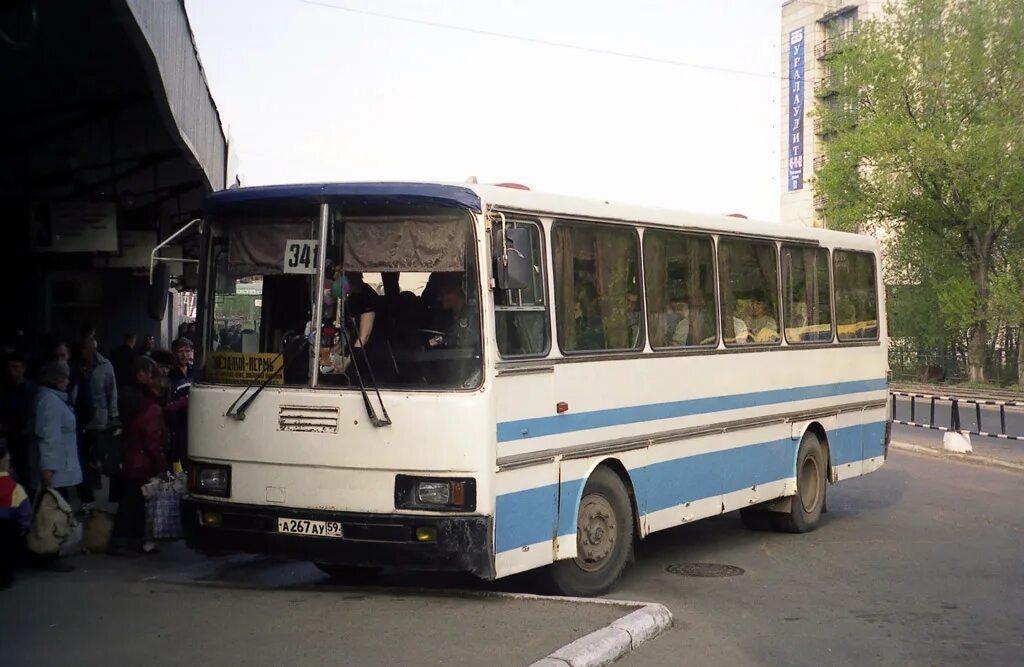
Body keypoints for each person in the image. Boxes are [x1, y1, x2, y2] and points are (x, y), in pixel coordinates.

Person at [110, 356, 168, 556]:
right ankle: (123, 540)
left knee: (132, 502)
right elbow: (151, 439)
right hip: (139, 461)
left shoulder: (137, 399)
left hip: (132, 457)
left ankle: (127, 540)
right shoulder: (149, 407)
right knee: (132, 502)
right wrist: (161, 465)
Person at [0, 440, 33, 589]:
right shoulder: (14, 487)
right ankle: (5, 578)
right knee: (7, 555)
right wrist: (24, 526)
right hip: (8, 526)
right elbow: (24, 511)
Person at [0, 351, 35, 483]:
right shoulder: (3, 389)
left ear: (23, 368)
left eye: (15, 367)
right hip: (7, 438)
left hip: (26, 438)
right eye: (9, 367)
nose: (11, 371)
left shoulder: (31, 389)